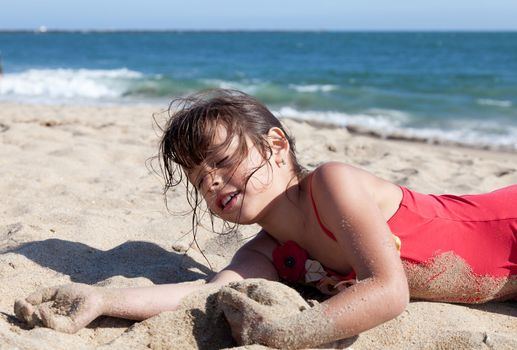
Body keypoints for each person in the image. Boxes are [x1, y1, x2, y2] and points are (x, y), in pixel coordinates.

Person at [14, 89, 517, 348]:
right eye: (197, 177)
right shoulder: (270, 252)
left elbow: (388, 290)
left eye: (221, 161)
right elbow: (202, 295)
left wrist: (283, 334)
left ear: (276, 146)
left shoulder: (333, 184)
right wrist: (103, 299)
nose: (209, 182)